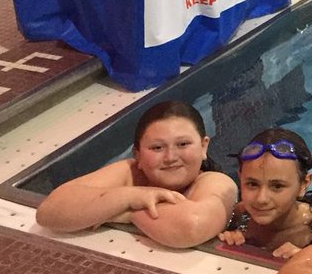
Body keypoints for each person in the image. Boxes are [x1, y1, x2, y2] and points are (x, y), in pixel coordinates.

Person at [35, 100, 237, 248]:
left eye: (183, 144)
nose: (170, 157)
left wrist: (122, 209)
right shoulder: (129, 172)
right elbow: (49, 212)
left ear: (204, 147)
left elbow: (191, 226)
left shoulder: (216, 181)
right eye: (157, 148)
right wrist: (131, 196)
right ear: (138, 155)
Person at [218, 128, 312, 260]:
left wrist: (309, 260)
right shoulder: (241, 215)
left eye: (277, 186)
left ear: (304, 184)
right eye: (252, 184)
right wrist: (229, 238)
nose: (261, 199)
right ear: (240, 178)